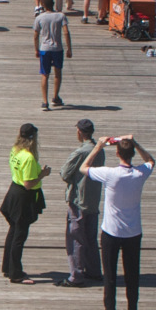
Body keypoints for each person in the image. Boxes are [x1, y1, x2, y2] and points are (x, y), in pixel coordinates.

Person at [83, 135, 156, 310]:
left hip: (111, 232)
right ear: (132, 154)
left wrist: (98, 146)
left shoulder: (110, 174)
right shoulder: (140, 173)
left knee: (110, 276)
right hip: (133, 232)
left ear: (117, 153)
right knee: (132, 275)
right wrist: (135, 142)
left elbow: (84, 168)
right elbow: (150, 160)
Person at [57, 119, 103, 287]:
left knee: (75, 237)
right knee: (91, 237)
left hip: (79, 200)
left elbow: (64, 173)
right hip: (93, 199)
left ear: (80, 132)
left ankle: (76, 276)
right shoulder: (99, 150)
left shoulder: (81, 152)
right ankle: (94, 271)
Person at [1, 123, 46, 284]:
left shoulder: (16, 149)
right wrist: (43, 174)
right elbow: (28, 183)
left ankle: (8, 267)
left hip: (13, 192)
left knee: (13, 231)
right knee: (19, 236)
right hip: (23, 197)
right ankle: (16, 274)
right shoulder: (28, 157)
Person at [32, 0, 71, 110]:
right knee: (57, 73)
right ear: (53, 4)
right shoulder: (61, 16)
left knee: (45, 74)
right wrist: (69, 48)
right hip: (57, 48)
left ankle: (45, 102)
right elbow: (66, 32)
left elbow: (36, 35)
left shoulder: (39, 18)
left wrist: (36, 49)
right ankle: (55, 97)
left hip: (44, 49)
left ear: (43, 5)